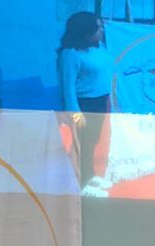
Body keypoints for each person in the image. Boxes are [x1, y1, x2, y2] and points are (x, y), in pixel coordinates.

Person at [56, 12, 112, 188]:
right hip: (83, 104)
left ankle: (90, 175)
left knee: (93, 141)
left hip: (100, 102)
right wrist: (75, 113)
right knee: (83, 144)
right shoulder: (70, 54)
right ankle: (82, 181)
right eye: (98, 28)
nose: (102, 31)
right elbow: (67, 88)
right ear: (85, 32)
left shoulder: (100, 48)